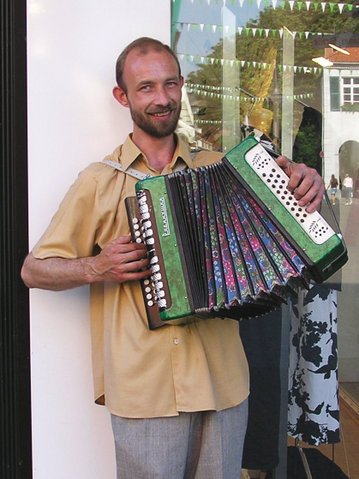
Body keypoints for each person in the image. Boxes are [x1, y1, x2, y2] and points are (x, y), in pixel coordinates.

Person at [21, 37, 325, 478]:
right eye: (145, 88)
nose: (161, 99)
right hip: (143, 390)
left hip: (222, 384)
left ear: (181, 85)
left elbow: (291, 204)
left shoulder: (224, 168)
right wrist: (96, 266)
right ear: (122, 96)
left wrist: (304, 178)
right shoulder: (98, 181)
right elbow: (34, 270)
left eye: (169, 84)